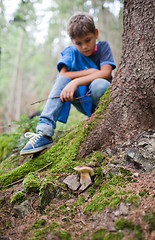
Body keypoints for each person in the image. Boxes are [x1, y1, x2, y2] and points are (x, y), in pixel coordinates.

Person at [20, 12, 116, 156]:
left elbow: (106, 73)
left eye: (88, 40)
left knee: (99, 84)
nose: (84, 46)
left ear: (96, 33)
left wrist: (76, 81)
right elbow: (63, 75)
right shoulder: (71, 52)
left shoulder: (103, 47)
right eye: (78, 43)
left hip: (102, 98)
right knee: (63, 81)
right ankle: (44, 132)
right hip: (82, 100)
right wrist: (88, 73)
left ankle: (101, 117)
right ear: (72, 41)